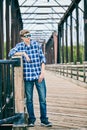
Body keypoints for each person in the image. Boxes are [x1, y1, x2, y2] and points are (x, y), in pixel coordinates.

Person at [8, 29, 52, 127]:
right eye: (27, 36)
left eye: (29, 35)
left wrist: (43, 72)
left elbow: (42, 59)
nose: (29, 37)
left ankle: (44, 120)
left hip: (38, 76)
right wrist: (23, 53)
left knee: (43, 99)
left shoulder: (36, 45)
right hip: (28, 78)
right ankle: (31, 120)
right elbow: (10, 53)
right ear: (22, 37)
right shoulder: (19, 46)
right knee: (29, 100)